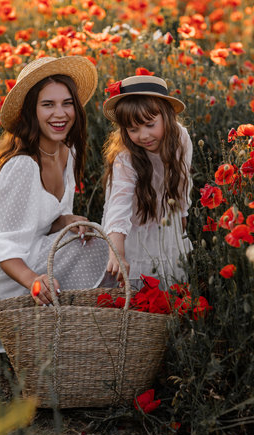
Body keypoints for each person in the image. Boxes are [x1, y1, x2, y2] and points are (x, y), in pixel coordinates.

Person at [0, 56, 109, 354]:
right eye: (47, 105)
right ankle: (74, 333)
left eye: (67, 103)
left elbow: (37, 221)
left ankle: (84, 330)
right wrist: (35, 281)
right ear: (31, 111)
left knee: (91, 236)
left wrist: (66, 221)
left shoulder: (68, 152)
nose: (60, 113)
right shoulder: (22, 165)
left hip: (33, 256)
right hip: (1, 279)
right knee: (95, 246)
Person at [101, 75, 193, 290]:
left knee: (170, 283)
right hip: (132, 231)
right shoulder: (126, 157)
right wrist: (118, 253)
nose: (143, 136)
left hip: (166, 223)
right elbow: (118, 207)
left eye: (150, 125)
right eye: (132, 129)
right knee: (138, 290)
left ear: (167, 117)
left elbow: (183, 183)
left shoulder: (181, 138)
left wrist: (181, 221)